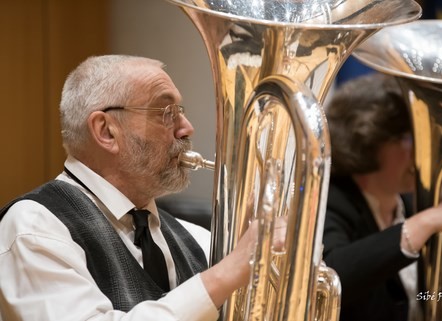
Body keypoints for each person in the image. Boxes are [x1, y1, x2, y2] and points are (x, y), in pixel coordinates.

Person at [0, 55, 259, 321]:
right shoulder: (34, 228)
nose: (186, 129)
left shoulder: (197, 239)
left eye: (181, 113)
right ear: (106, 131)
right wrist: (225, 275)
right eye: (166, 113)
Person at [322, 72, 442, 321]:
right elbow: (331, 277)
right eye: (407, 138)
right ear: (367, 139)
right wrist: (430, 220)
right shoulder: (332, 200)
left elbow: (430, 297)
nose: (420, 152)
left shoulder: (408, 202)